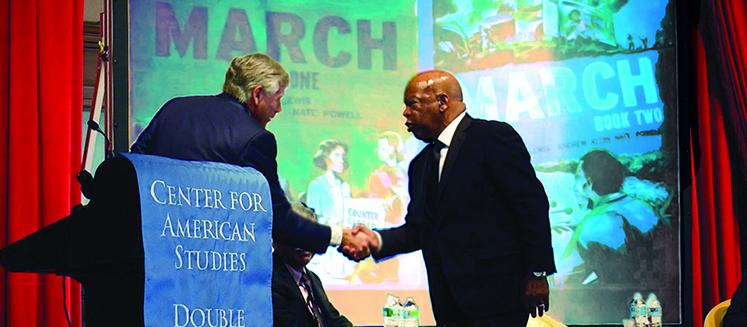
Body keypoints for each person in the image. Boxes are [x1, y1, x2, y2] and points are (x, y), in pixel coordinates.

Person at [350, 70, 556, 326]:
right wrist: (376, 240)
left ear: (442, 102)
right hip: (448, 303)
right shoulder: (421, 164)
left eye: (411, 104)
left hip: (498, 299)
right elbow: (419, 229)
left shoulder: (492, 137)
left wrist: (537, 272)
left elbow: (531, 205)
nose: (404, 113)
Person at [130, 53, 369, 258]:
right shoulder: (256, 139)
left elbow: (134, 168)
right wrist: (340, 236)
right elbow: (280, 220)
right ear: (257, 95)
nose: (279, 109)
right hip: (210, 266)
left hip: (150, 255)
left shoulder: (175, 108)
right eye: (278, 99)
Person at [563, 149, 660, 286]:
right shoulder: (646, 208)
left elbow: (567, 274)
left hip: (615, 299)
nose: (574, 185)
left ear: (589, 183)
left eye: (578, 177)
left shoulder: (591, 224)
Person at [273, 202, 353, 327]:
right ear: (276, 241)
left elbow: (334, 321)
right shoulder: (268, 281)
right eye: (297, 236)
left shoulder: (312, 279)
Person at [305, 140, 354, 280]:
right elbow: (311, 218)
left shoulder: (345, 187)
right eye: (337, 155)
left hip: (343, 245)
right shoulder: (316, 186)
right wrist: (328, 221)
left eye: (343, 156)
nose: (341, 160)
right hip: (326, 245)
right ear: (326, 158)